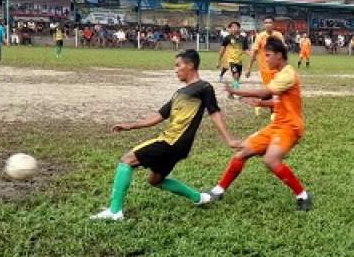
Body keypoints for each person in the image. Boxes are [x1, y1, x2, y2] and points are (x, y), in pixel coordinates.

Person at [90, 50, 241, 221]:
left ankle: (115, 211)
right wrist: (131, 125)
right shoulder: (180, 93)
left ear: (190, 65)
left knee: (127, 160)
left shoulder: (203, 87)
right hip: (177, 145)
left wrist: (229, 139)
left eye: (178, 65)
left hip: (172, 141)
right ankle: (200, 198)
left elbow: (214, 113)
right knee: (155, 180)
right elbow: (159, 115)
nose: (175, 70)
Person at [210, 37, 312, 211]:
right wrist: (261, 104)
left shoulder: (287, 74)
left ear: (279, 55)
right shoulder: (279, 74)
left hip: (290, 127)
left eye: (268, 55)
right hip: (276, 126)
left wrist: (235, 90)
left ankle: (303, 196)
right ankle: (218, 191)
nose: (265, 60)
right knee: (242, 152)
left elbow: (264, 92)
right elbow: (279, 100)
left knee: (271, 159)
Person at [246, 16, 284, 118]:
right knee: (272, 89)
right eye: (266, 23)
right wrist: (249, 68)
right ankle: (272, 112)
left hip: (276, 68)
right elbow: (254, 53)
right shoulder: (260, 36)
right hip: (265, 68)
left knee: (275, 89)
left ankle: (261, 104)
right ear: (264, 24)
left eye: (270, 22)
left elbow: (282, 51)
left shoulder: (278, 35)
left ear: (273, 24)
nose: (268, 24)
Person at [217, 22, 248, 88]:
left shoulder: (243, 38)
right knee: (234, 73)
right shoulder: (227, 38)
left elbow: (245, 49)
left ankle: (233, 88)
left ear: (239, 28)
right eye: (231, 27)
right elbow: (222, 49)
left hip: (239, 60)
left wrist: (251, 54)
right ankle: (235, 87)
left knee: (237, 76)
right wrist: (219, 60)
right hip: (231, 59)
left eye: (235, 27)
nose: (233, 29)